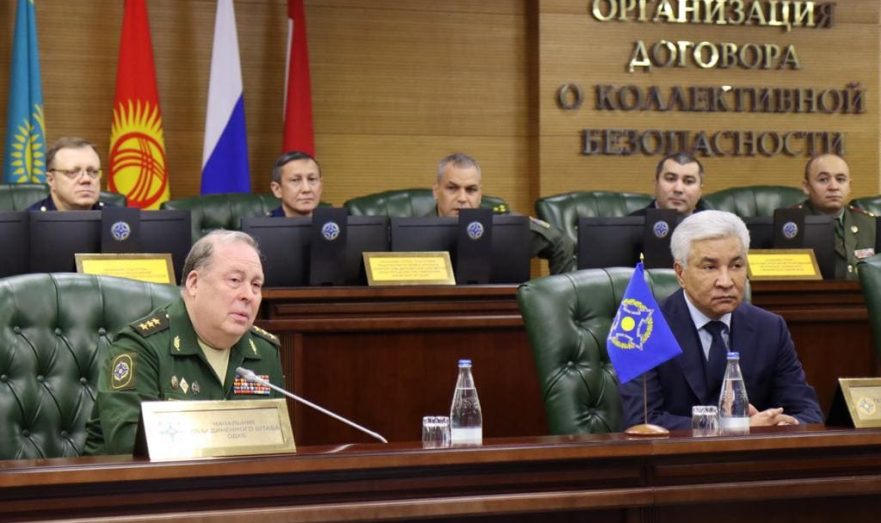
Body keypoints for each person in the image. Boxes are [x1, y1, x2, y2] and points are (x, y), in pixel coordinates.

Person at [84, 230, 285, 455]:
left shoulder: (265, 351)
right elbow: (129, 446)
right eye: (235, 280)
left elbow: (277, 445)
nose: (248, 294)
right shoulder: (140, 347)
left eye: (256, 285)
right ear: (194, 283)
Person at [619, 210, 823, 430]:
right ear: (680, 273)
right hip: (676, 452)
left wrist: (784, 423)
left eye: (736, 266)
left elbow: (808, 412)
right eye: (710, 267)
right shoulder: (643, 329)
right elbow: (643, 421)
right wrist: (736, 427)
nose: (726, 282)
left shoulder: (770, 328)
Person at [433, 152, 575, 274]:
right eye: (452, 188)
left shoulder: (505, 229)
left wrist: (556, 294)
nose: (462, 198)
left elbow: (561, 242)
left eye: (471, 190)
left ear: (480, 195)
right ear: (436, 192)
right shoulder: (419, 232)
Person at [793, 153, 875, 280]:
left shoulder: (870, 223)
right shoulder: (791, 223)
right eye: (823, 180)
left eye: (840, 179)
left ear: (849, 186)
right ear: (806, 187)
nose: (834, 187)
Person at [27, 136, 110, 212]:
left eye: (93, 172)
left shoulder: (115, 217)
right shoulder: (29, 221)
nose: (86, 179)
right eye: (72, 172)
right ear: (51, 180)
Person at [629, 152, 709, 216]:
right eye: (670, 179)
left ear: (700, 190)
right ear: (655, 184)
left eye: (688, 181)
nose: (678, 189)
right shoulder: (630, 225)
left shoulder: (712, 226)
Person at [268, 150, 323, 217]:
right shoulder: (264, 223)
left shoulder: (331, 222)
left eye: (312, 179)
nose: (306, 189)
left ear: (321, 186)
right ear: (277, 189)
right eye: (295, 180)